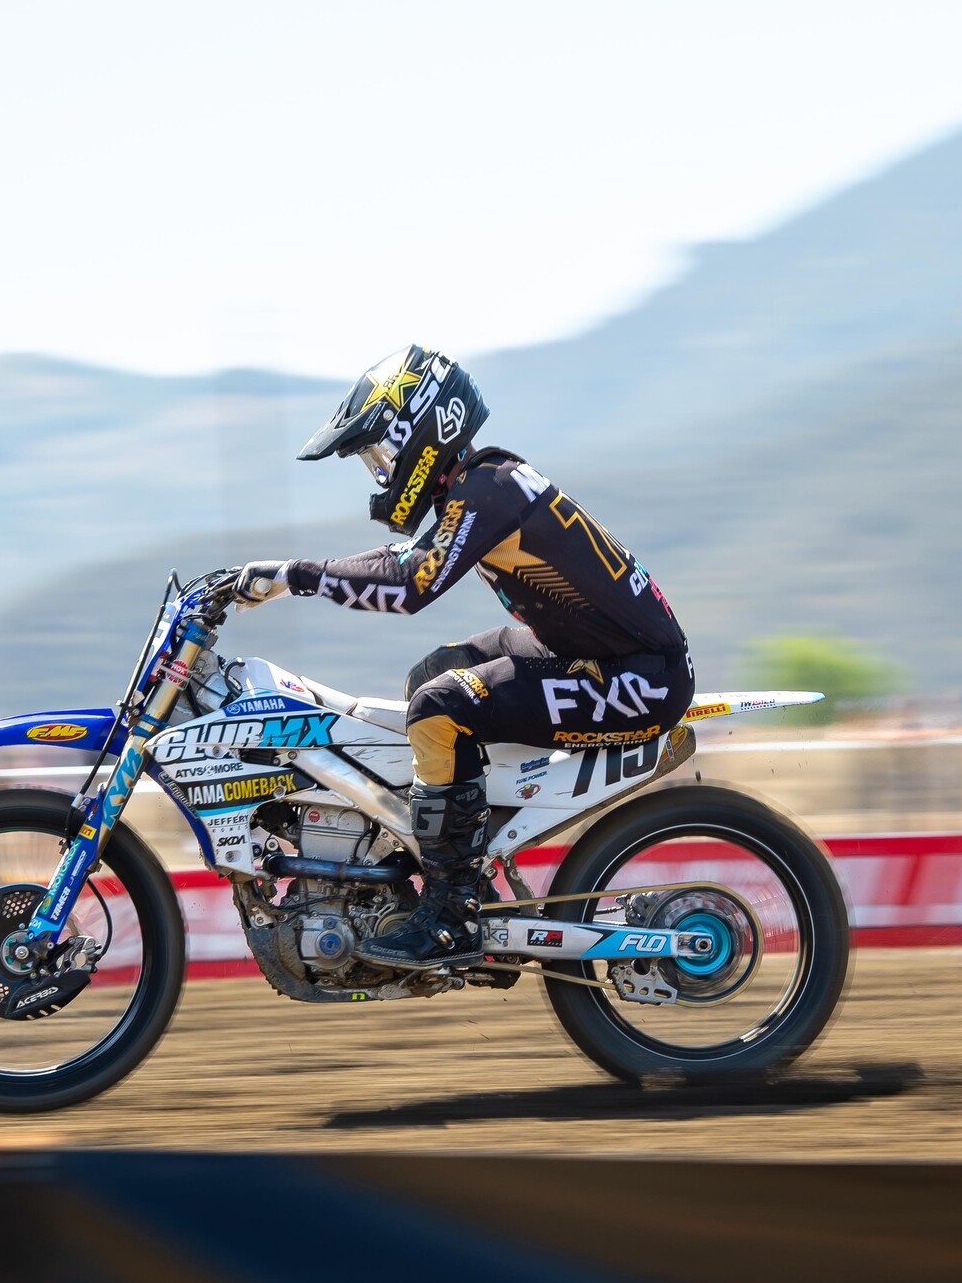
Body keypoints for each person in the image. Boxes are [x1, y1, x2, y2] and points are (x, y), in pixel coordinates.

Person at [232, 345, 692, 968]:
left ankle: (453, 910)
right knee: (435, 673)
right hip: (600, 656)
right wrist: (286, 573)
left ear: (424, 432)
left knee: (438, 706)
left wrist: (296, 576)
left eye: (381, 453)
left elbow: (411, 585)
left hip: (638, 677)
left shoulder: (488, 490)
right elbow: (397, 563)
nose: (381, 472)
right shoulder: (485, 483)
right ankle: (468, 852)